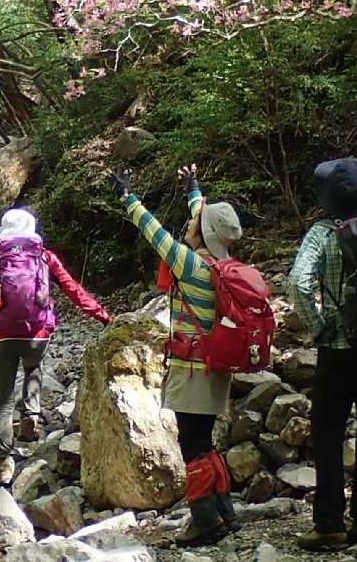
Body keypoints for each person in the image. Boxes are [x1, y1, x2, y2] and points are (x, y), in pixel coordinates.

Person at [110, 164, 242, 548]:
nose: (190, 224)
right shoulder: (219, 264)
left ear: (203, 233)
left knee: (192, 446)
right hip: (216, 367)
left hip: (192, 369)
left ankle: (205, 523)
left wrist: (128, 197)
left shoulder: (190, 264)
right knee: (205, 441)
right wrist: (193, 189)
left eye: (195, 222)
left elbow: (154, 232)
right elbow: (204, 220)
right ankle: (226, 515)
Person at [0, 207, 110, 481]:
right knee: (33, 367)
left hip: (3, 335)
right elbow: (73, 289)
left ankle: (3, 462)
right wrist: (102, 315)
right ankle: (31, 413)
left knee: (3, 402)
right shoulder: (43, 256)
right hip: (38, 334)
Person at [289, 158, 357, 551]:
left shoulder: (323, 232)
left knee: (328, 431)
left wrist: (319, 326)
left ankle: (329, 524)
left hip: (339, 349)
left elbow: (299, 283)